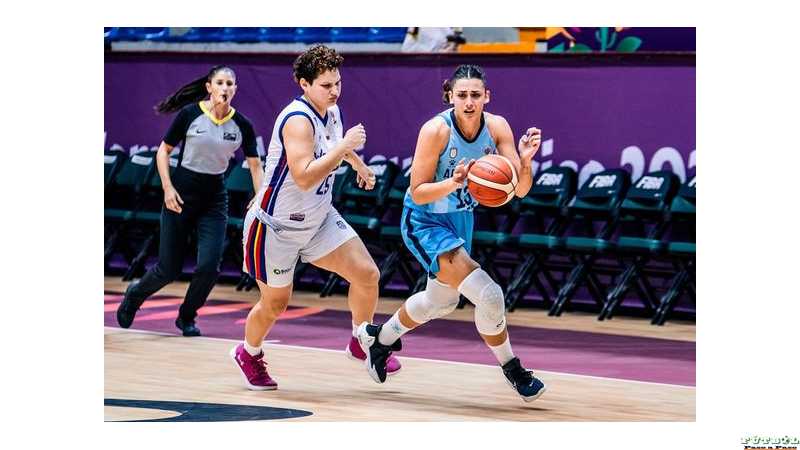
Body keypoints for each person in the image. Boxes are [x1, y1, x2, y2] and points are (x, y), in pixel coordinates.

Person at [356, 64, 547, 402]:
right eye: (462, 95)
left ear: (487, 96)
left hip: (460, 219)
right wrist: (454, 182)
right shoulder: (436, 131)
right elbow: (417, 191)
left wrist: (526, 163)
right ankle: (514, 369)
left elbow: (519, 191)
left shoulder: (498, 126)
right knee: (489, 295)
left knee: (440, 301)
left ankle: (379, 339)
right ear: (450, 97)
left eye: (476, 95)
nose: (469, 102)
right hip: (425, 221)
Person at [230, 44, 401, 390]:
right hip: (275, 227)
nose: (335, 91)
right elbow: (305, 175)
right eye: (326, 85)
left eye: (338, 83)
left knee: (367, 274)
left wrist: (359, 165)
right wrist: (343, 149)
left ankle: (359, 339)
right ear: (304, 84)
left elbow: (336, 145)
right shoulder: (297, 121)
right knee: (275, 304)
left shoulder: (331, 111)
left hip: (318, 219)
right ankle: (249, 352)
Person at [116, 65, 262, 337]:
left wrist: (259, 197)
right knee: (168, 269)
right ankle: (134, 295)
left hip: (214, 198)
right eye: (220, 82)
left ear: (235, 89)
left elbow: (255, 166)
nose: (225, 88)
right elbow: (163, 152)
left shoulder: (242, 124)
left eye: (230, 83)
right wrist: (167, 188)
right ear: (209, 87)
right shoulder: (190, 115)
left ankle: (186, 317)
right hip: (181, 194)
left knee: (209, 266)